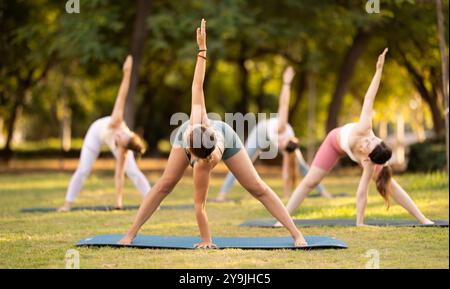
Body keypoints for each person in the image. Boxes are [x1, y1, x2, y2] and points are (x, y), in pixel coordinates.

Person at [118, 19, 307, 248]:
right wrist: (202, 50)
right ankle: (131, 233)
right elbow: (197, 86)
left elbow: (200, 205)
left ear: (195, 155)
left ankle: (297, 234)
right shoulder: (198, 119)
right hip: (201, 139)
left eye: (189, 148)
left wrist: (207, 241)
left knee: (258, 187)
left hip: (224, 140)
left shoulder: (203, 164)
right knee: (164, 185)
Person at [280, 48, 434, 226]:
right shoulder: (365, 127)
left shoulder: (369, 163)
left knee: (389, 183)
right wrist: (378, 71)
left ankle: (423, 219)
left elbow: (362, 191)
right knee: (311, 181)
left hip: (361, 156)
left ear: (368, 155)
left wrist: (360, 223)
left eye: (370, 143)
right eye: (374, 138)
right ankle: (282, 219)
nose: (369, 138)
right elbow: (369, 98)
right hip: (333, 143)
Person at [216, 66, 331, 202]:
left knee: (302, 166)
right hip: (260, 133)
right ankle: (222, 194)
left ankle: (323, 192)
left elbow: (287, 171)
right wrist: (287, 83)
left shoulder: (290, 149)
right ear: (286, 140)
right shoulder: (282, 127)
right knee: (241, 161)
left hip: (276, 141)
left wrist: (287, 196)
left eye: (282, 147)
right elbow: (284, 104)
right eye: (282, 144)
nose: (280, 146)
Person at [58, 56, 151, 212]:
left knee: (133, 171)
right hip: (95, 133)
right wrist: (127, 72)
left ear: (123, 146)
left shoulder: (123, 150)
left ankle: (152, 200)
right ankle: (67, 203)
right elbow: (122, 95)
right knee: (83, 170)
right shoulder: (117, 120)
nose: (121, 133)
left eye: (122, 137)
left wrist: (118, 203)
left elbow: (119, 176)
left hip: (110, 141)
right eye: (124, 133)